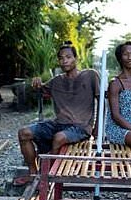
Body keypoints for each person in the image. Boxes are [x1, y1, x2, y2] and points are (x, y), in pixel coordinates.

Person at [14, 41, 100, 186]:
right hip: (58, 124)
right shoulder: (56, 81)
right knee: (23, 133)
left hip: (80, 128)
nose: (64, 60)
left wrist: (97, 127)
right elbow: (40, 89)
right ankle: (33, 173)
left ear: (76, 58)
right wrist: (36, 83)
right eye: (61, 58)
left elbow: (102, 100)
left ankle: (47, 176)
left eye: (68, 57)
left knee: (59, 138)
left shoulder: (90, 76)